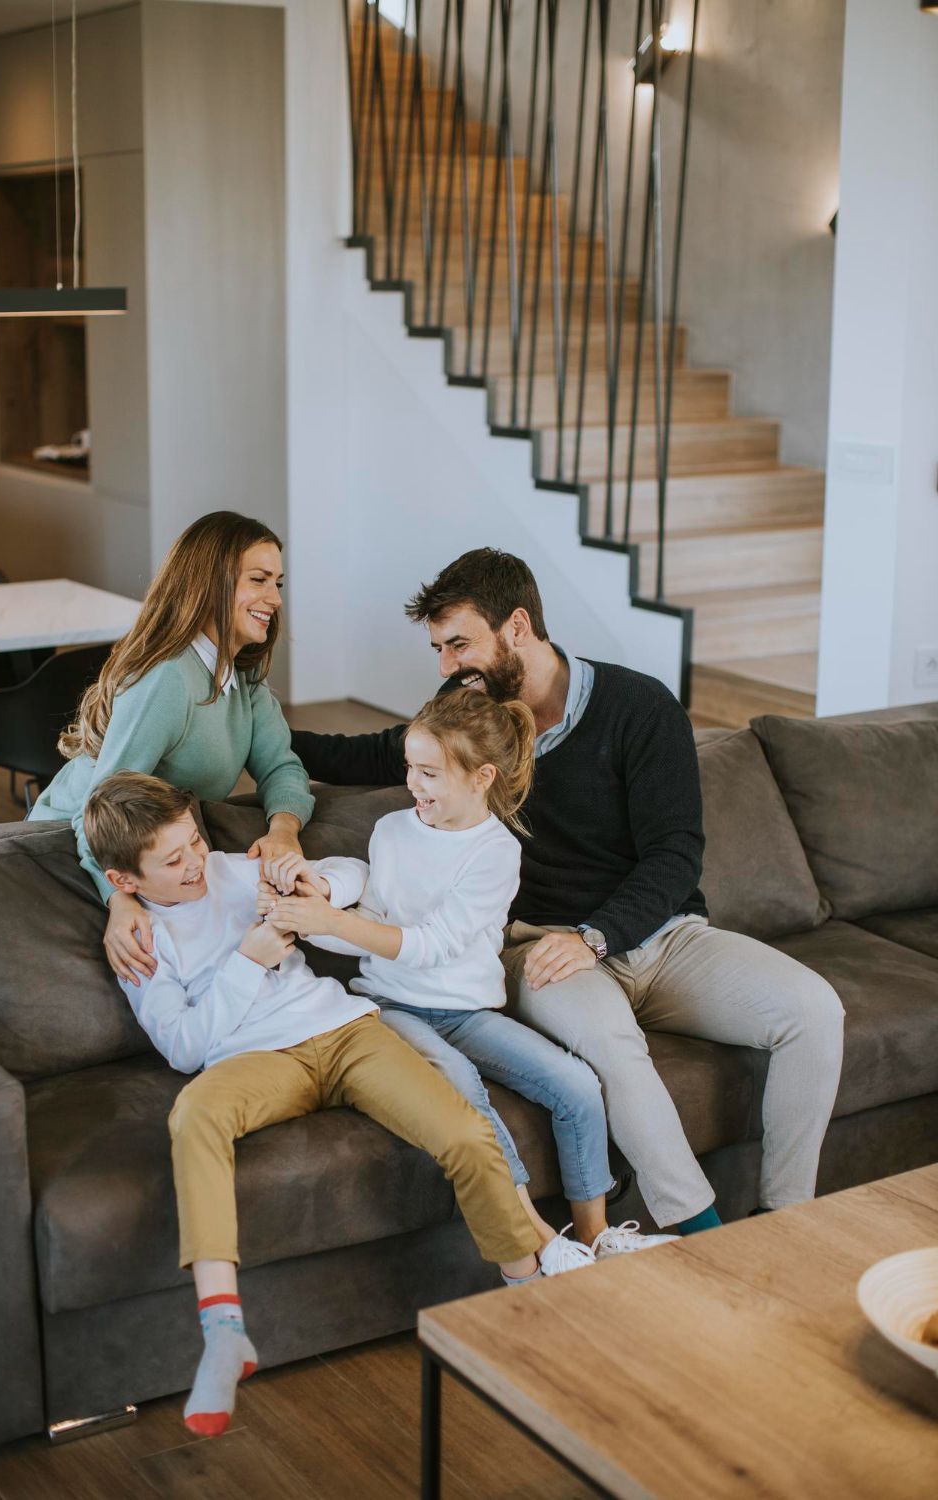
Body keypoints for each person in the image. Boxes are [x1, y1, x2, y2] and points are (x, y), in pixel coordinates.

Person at [289, 549, 846, 1234]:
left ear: (517, 626)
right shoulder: (469, 727)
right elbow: (362, 754)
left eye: (458, 643)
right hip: (536, 949)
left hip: (658, 937)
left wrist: (599, 937)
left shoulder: (639, 707)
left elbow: (675, 855)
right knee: (608, 1043)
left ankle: (784, 1223)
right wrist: (257, 741)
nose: (445, 665)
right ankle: (698, 1231)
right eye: (438, 647)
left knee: (814, 1011)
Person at [83, 772, 590, 1438]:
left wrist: (312, 885)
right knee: (193, 1116)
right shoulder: (143, 941)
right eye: (173, 861)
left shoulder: (236, 873)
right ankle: (224, 1330)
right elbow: (182, 1048)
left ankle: (527, 1298)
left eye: (195, 843)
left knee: (465, 1132)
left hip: (346, 1033)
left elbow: (352, 871)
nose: (195, 864)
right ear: (126, 882)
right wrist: (247, 960)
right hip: (256, 1062)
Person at [267, 688, 676, 1259]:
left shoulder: (496, 851)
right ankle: (540, 1240)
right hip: (389, 1006)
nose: (414, 784)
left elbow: (431, 946)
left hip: (468, 1011)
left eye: (430, 773)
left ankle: (595, 1235)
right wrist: (319, 904)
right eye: (411, 767)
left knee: (578, 1086)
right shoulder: (391, 829)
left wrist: (330, 916)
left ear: (482, 777)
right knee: (461, 1086)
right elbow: (377, 914)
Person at [30, 511, 313, 985]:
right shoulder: (167, 680)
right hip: (78, 848)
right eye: (259, 580)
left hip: (148, 858)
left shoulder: (241, 678)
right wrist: (118, 899)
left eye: (278, 582)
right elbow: (99, 808)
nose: (275, 599)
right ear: (210, 584)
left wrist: (284, 828)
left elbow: (282, 767)